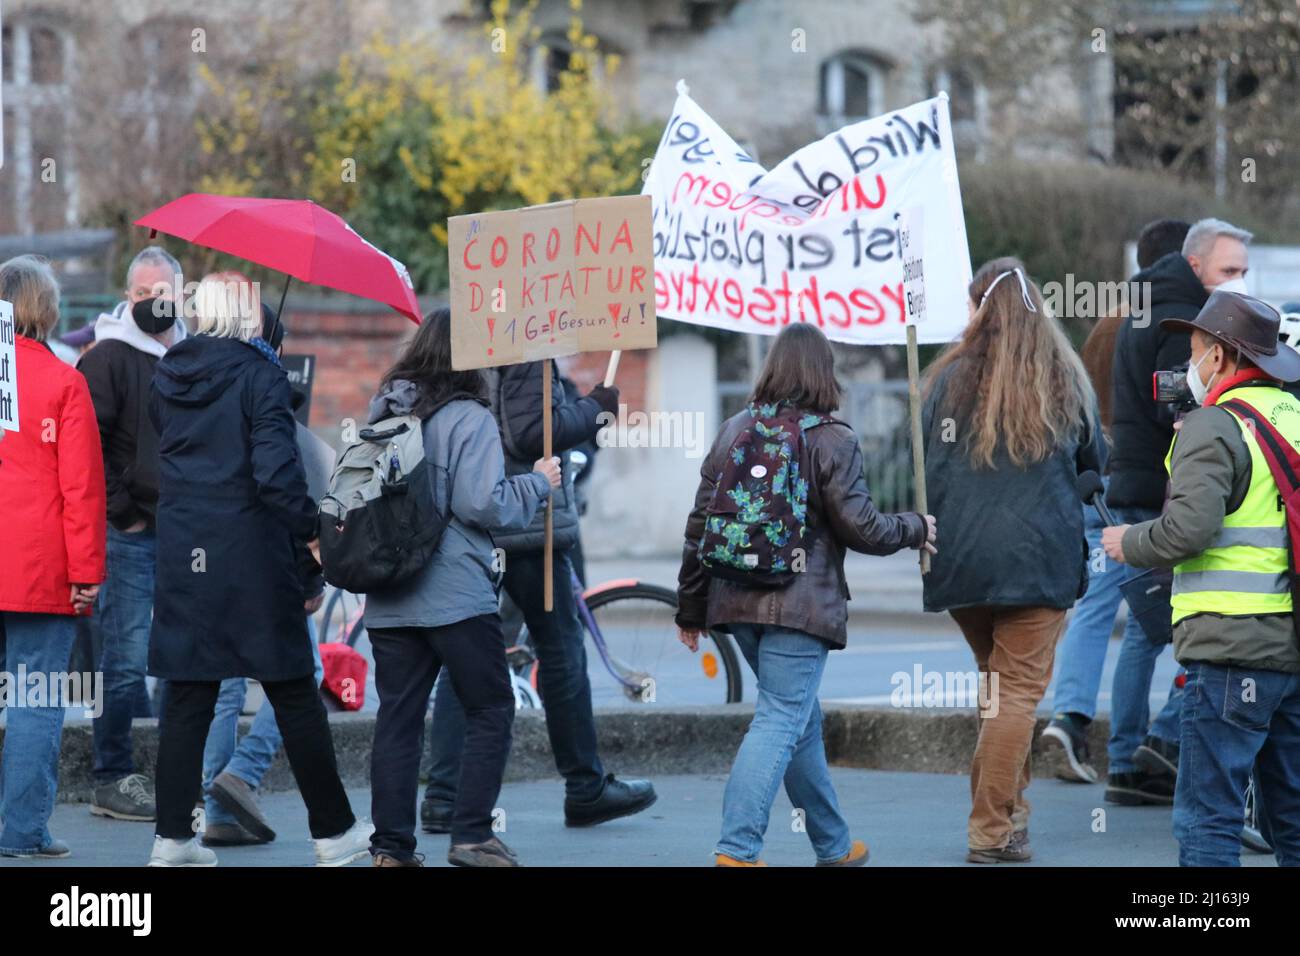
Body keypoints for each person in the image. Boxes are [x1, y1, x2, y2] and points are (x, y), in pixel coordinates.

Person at [678, 323, 935, 867]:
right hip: (798, 606)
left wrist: (691, 607)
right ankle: (737, 850)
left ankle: (834, 845)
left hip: (734, 600)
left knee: (799, 720)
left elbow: (699, 525)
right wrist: (915, 526)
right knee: (779, 718)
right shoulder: (832, 438)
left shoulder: (733, 430)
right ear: (825, 372)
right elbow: (861, 528)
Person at [146, 272, 370, 867]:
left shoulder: (166, 375)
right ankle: (334, 832)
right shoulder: (261, 374)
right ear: (242, 316)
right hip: (252, 560)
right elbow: (277, 474)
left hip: (186, 557)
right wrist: (312, 535)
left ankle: (172, 840)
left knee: (188, 699)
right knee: (295, 695)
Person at [1102, 290, 1300, 867]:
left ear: (1219, 357)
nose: (1187, 364)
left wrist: (1127, 542)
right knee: (1290, 816)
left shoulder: (1215, 424)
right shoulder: (1292, 415)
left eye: (1193, 350)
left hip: (1230, 648)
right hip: (1290, 651)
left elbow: (1189, 530)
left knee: (1207, 816)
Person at [419, 354, 657, 833]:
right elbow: (531, 432)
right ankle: (585, 787)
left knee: (465, 654)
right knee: (563, 650)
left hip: (484, 517)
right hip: (526, 525)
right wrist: (594, 409)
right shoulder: (523, 345)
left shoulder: (481, 338)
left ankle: (445, 796)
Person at [923, 258, 1104, 863]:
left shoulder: (945, 380)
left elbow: (925, 460)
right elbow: (1093, 466)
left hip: (963, 560)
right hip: (1038, 560)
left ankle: (1013, 816)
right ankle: (990, 830)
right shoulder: (1065, 378)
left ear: (978, 309)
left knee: (999, 694)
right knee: (1016, 696)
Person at [363, 308, 559, 867]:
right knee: (492, 704)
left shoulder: (383, 411)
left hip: (390, 594)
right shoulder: (468, 417)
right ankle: (472, 833)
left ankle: (391, 848)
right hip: (453, 592)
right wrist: (536, 485)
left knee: (397, 719)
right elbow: (483, 503)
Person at [1102, 217, 1253, 806]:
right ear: (1196, 267)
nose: (1238, 283)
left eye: (1244, 271)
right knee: (1190, 626)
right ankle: (1161, 744)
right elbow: (1188, 408)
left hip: (1137, 480)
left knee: (1145, 631)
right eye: (1229, 271)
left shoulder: (1147, 301)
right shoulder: (1185, 319)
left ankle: (1127, 762)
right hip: (1163, 486)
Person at [1042, 218, 1190, 783]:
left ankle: (1071, 717)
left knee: (1099, 603)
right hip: (1147, 482)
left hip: (1097, 477)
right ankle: (1154, 741)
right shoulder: (1168, 321)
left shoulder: (1108, 324)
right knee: (1165, 617)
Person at [198, 305, 329, 848]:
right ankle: (240, 775)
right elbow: (289, 497)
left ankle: (216, 809)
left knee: (224, 688)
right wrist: (312, 579)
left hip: (210, 562)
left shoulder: (197, 398)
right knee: (308, 673)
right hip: (268, 573)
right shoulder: (275, 404)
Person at [77, 246, 189, 822]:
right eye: (141, 294)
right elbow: (85, 449)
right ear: (127, 298)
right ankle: (112, 774)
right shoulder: (107, 359)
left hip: (185, 532)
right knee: (122, 659)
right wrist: (125, 515)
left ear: (180, 292)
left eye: (161, 292)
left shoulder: (193, 356)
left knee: (185, 654)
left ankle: (176, 768)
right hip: (131, 535)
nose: (152, 302)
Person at [0, 256, 107, 859]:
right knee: (34, 699)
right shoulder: (65, 383)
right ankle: (21, 831)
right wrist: (87, 573)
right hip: (39, 568)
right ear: (47, 309)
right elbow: (82, 489)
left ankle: (25, 829)